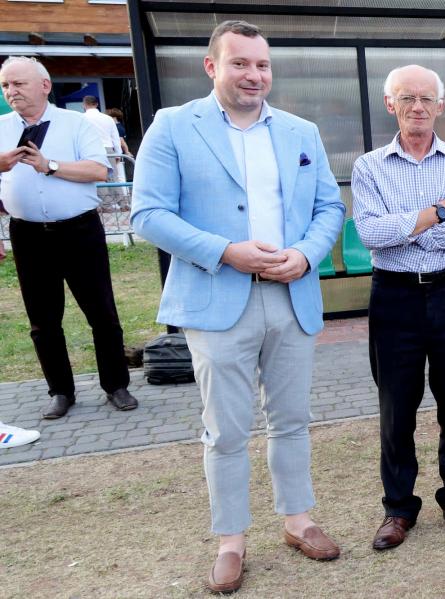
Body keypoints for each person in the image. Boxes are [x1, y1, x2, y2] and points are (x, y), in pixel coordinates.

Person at [130, 21, 345, 593]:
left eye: (262, 65)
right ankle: (231, 540)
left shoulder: (301, 130)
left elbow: (329, 208)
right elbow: (148, 213)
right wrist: (226, 251)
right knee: (225, 429)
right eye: (240, 63)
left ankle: (298, 520)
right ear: (212, 66)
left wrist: (305, 254)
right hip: (216, 296)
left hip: (291, 295)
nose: (254, 75)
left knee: (292, 419)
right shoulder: (173, 126)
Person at [352, 65, 445, 551]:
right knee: (396, 406)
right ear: (390, 104)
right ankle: (398, 508)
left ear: (440, 106)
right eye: (407, 98)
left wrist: (407, 227)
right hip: (394, 297)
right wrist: (436, 212)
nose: (417, 107)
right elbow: (371, 234)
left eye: (427, 99)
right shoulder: (369, 167)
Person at [0, 56, 138, 419]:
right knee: (42, 320)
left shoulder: (75, 123)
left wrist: (50, 166)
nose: (11, 92)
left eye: (19, 84)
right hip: (28, 234)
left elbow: (98, 170)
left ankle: (116, 385)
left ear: (45, 86)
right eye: (6, 85)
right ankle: (60, 391)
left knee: (102, 312)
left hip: (79, 230)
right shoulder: (1, 127)